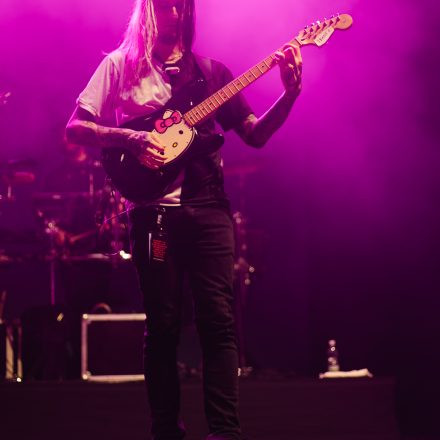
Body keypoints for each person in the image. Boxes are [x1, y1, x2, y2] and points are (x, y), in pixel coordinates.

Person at [65, 1, 302, 439]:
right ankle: (165, 431)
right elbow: (76, 128)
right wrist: (131, 138)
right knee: (163, 324)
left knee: (219, 320)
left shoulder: (213, 73)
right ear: (147, 11)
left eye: (182, 4)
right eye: (164, 3)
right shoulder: (119, 67)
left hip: (209, 210)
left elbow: (255, 135)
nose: (174, 10)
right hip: (153, 215)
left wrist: (289, 94)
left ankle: (225, 431)